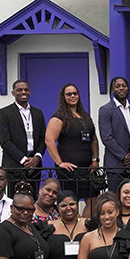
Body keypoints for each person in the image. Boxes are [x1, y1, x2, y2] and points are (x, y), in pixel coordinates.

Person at [45, 83, 99, 217]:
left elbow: (93, 139)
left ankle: (84, 230)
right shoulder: (59, 117)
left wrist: (95, 160)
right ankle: (72, 230)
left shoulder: (84, 116)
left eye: (75, 93)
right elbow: (49, 140)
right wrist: (59, 163)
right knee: (70, 202)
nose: (73, 96)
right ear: (63, 97)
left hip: (87, 168)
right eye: (69, 94)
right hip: (69, 170)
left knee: (93, 203)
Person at [0, 79, 46, 196]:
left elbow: (44, 138)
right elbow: (4, 141)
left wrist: (37, 157)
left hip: (35, 166)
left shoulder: (38, 113)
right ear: (13, 93)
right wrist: (24, 160)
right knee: (15, 201)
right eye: (19, 90)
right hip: (14, 165)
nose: (23, 92)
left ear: (30, 92)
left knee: (33, 199)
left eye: (26, 90)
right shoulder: (4, 113)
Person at [98, 76, 130, 191]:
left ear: (128, 89)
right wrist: (123, 156)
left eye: (124, 86)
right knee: (114, 201)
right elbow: (106, 137)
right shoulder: (105, 110)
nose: (121, 89)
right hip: (115, 165)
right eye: (117, 86)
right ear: (112, 90)